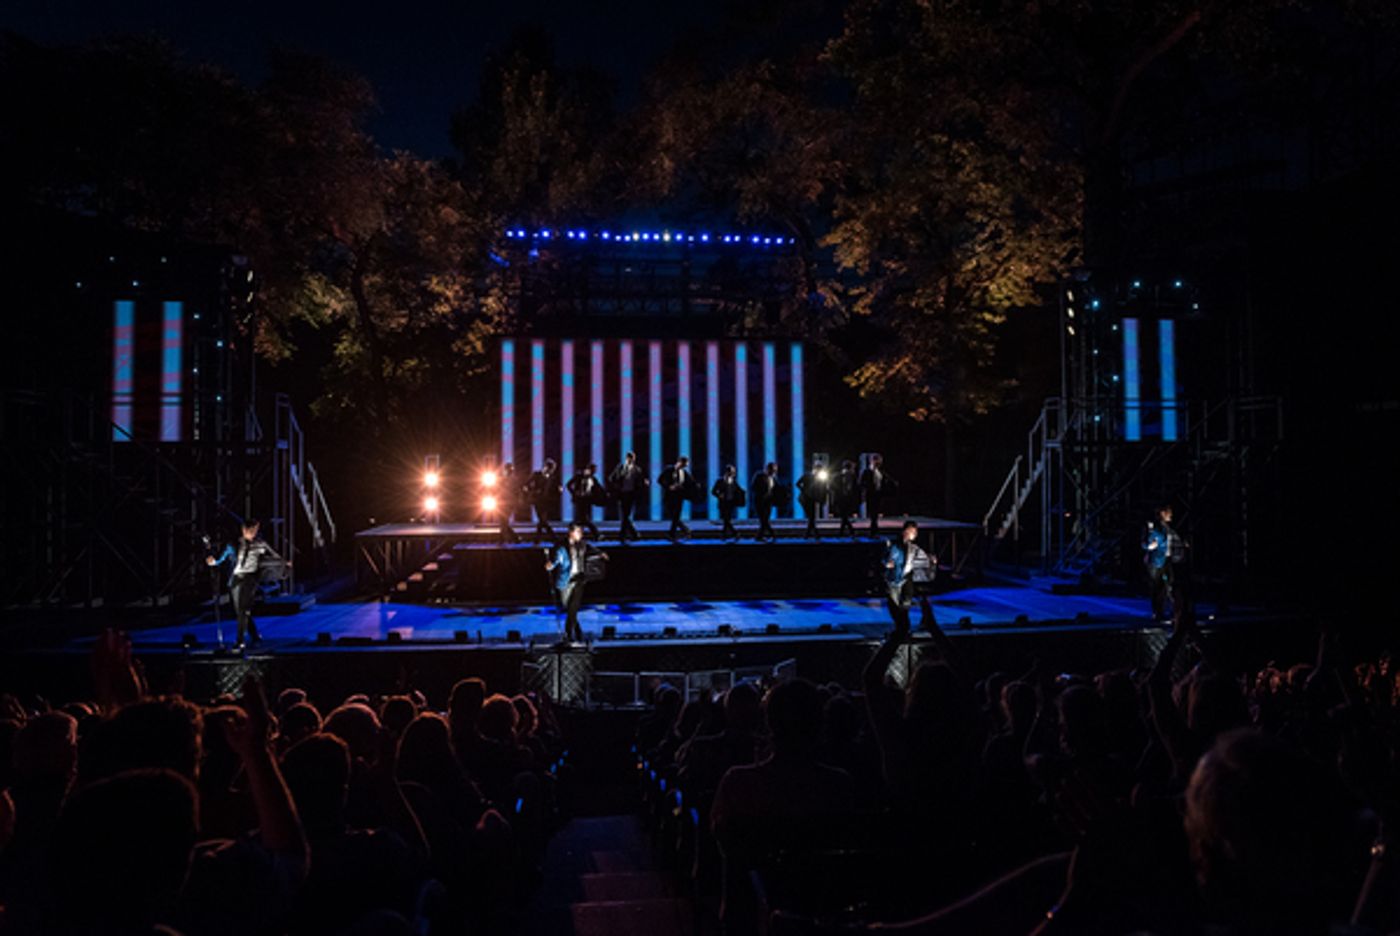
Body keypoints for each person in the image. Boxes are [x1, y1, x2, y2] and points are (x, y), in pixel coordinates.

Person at [206, 518, 286, 649]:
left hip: (251, 578)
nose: (253, 533)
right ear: (244, 530)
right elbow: (221, 557)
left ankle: (240, 641)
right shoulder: (233, 544)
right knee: (240, 612)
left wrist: (283, 564)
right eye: (250, 530)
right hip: (236, 578)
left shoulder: (260, 544)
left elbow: (274, 556)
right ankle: (254, 635)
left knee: (244, 610)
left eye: (255, 530)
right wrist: (213, 561)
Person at [545, 523, 606, 644]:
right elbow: (557, 558)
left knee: (574, 607)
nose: (581, 534)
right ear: (571, 533)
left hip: (579, 579)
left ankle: (568, 633)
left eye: (581, 532)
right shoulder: (561, 545)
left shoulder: (582, 544)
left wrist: (600, 553)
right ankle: (577, 630)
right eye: (578, 532)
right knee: (569, 608)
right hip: (565, 580)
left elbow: (590, 548)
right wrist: (551, 565)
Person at [883, 520, 937, 635]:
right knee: (895, 605)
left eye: (915, 532)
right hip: (893, 580)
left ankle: (903, 627)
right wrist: (887, 563)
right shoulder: (894, 545)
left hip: (906, 578)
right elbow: (886, 558)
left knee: (905, 603)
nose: (914, 534)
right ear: (905, 531)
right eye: (912, 531)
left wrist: (931, 560)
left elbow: (923, 559)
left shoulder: (913, 548)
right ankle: (901, 627)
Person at [1142, 504, 1186, 621]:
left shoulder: (1169, 527)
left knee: (1170, 586)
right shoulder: (1153, 526)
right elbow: (1145, 543)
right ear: (1162, 513)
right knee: (1157, 587)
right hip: (1156, 561)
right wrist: (1149, 546)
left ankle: (1170, 610)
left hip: (1168, 560)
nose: (1171, 515)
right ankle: (1158, 612)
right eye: (1169, 512)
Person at [608, 451, 649, 542]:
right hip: (621, 494)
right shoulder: (620, 467)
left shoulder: (637, 469)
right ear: (626, 458)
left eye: (632, 458)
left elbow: (641, 481)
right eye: (629, 458)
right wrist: (616, 486)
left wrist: (644, 483)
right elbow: (611, 478)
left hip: (631, 494)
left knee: (626, 515)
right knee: (624, 515)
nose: (630, 460)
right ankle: (634, 534)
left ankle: (623, 535)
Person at [658, 455, 697, 540]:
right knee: (673, 515)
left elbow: (691, 483)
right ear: (680, 462)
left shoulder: (684, 473)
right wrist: (669, 487)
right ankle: (685, 530)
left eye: (685, 466)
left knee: (676, 515)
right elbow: (660, 480)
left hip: (679, 497)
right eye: (684, 465)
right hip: (669, 496)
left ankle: (672, 533)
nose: (684, 467)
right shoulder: (668, 469)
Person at [524, 458, 561, 542]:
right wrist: (532, 491)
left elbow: (555, 489)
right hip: (537, 500)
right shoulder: (536, 475)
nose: (552, 471)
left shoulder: (552, 478)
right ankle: (553, 537)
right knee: (542, 519)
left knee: (542, 520)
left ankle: (538, 538)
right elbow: (526, 485)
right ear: (546, 467)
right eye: (551, 469)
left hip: (546, 501)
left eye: (553, 470)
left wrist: (557, 493)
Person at [860, 453, 896, 537]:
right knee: (873, 514)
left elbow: (885, 481)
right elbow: (862, 482)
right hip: (871, 494)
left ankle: (874, 531)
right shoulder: (867, 471)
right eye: (877, 461)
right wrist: (866, 489)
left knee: (875, 514)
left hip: (878, 495)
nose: (878, 463)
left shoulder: (880, 472)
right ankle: (873, 531)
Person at [795, 460, 830, 539]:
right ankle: (814, 535)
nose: (819, 470)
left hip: (813, 499)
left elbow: (823, 490)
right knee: (811, 517)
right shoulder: (807, 475)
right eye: (818, 468)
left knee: (811, 517)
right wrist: (804, 491)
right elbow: (797, 483)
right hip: (805, 499)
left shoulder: (820, 478)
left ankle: (809, 535)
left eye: (820, 468)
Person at [565, 463, 602, 539]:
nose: (594, 472)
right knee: (583, 519)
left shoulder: (593, 479)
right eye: (593, 470)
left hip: (587, 500)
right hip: (579, 500)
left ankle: (575, 532)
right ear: (589, 470)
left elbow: (598, 489)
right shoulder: (579, 476)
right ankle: (596, 535)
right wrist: (574, 493)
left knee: (581, 519)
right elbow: (568, 484)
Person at [749, 462, 781, 542]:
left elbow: (776, 489)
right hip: (759, 502)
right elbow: (753, 487)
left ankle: (759, 537)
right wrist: (761, 492)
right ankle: (773, 535)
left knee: (765, 520)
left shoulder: (773, 478)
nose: (773, 472)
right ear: (767, 469)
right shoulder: (759, 475)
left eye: (775, 470)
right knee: (764, 520)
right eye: (772, 470)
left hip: (768, 502)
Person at [711, 465, 745, 540]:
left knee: (727, 520)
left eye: (734, 472)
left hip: (730, 503)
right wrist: (719, 495)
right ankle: (734, 533)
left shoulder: (733, 481)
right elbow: (713, 491)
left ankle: (724, 535)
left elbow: (738, 490)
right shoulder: (720, 481)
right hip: (723, 503)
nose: (734, 473)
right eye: (732, 472)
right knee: (726, 519)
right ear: (728, 472)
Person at [833, 459, 860, 537]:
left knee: (844, 516)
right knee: (844, 516)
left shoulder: (852, 476)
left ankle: (843, 533)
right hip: (841, 498)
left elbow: (855, 488)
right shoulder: (838, 476)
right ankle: (850, 532)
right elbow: (833, 487)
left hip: (848, 499)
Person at [494, 463, 519, 544]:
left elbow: (516, 493)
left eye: (506, 469)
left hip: (509, 503)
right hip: (502, 503)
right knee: (503, 522)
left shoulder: (513, 480)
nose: (505, 471)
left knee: (504, 522)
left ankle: (502, 540)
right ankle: (515, 538)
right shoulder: (503, 479)